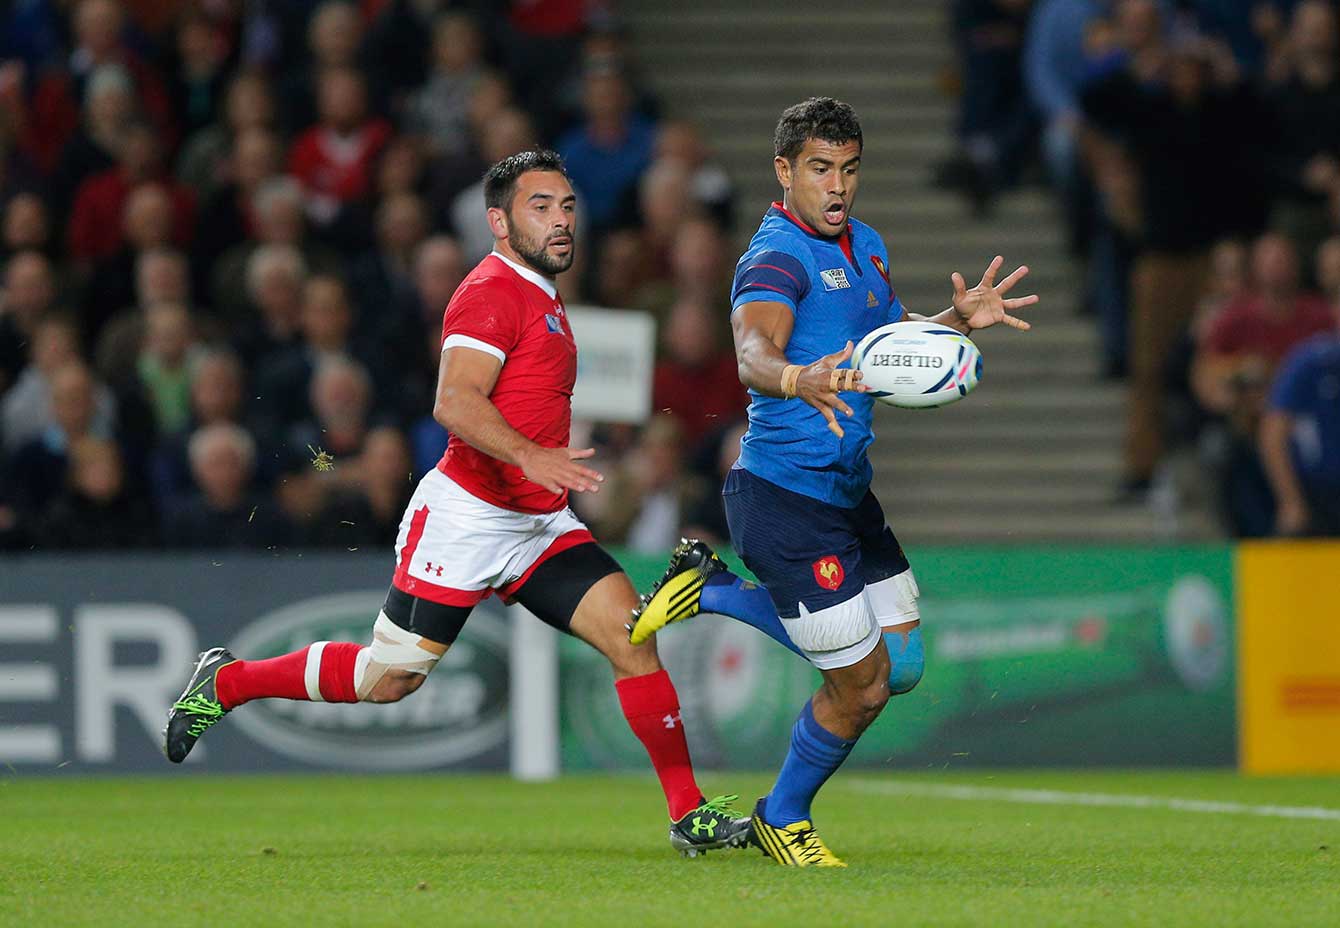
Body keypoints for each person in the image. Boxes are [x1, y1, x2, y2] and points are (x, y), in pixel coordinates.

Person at [162, 150, 748, 857]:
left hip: (535, 521)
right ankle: (229, 680)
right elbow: (453, 400)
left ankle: (689, 814)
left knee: (631, 638)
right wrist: (530, 453)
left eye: (566, 206)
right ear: (499, 221)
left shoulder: (543, 291)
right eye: (541, 207)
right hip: (467, 515)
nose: (561, 221)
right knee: (388, 681)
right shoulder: (491, 292)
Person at [625, 98, 1037, 866]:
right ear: (785, 172)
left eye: (848, 169)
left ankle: (709, 589)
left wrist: (955, 320)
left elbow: (890, 345)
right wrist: (791, 377)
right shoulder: (774, 257)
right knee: (864, 686)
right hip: (785, 504)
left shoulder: (866, 245)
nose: (837, 186)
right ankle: (784, 817)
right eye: (819, 169)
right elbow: (752, 349)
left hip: (847, 494)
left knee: (901, 667)